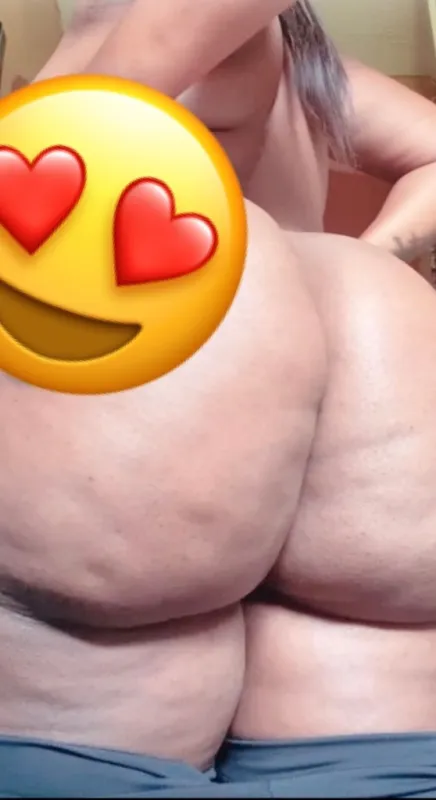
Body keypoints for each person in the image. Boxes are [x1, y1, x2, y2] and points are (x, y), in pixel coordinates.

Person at [2, 1, 436, 797]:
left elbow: (72, 159)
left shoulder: (142, 28)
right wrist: (359, 266)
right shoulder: (308, 69)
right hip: (357, 378)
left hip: (165, 377)